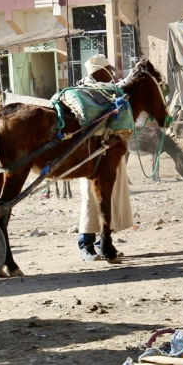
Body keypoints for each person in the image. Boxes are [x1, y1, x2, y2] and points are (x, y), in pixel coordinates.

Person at [77, 53, 134, 261]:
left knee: (109, 200)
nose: (111, 73)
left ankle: (103, 242)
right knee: (91, 200)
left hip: (111, 154)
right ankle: (85, 244)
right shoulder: (87, 93)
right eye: (107, 70)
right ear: (98, 71)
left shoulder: (110, 91)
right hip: (93, 156)